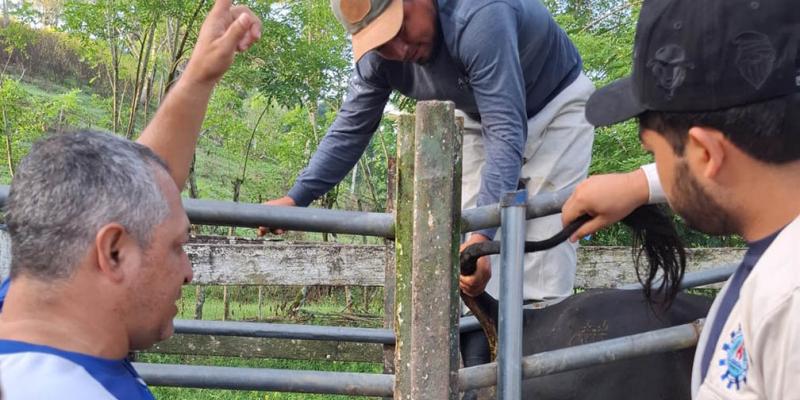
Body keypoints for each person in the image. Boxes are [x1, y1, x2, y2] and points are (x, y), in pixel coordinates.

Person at [0, 1, 261, 398]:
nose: (188, 272)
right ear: (114, 252)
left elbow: (138, 189)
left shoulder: (28, 305)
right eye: (177, 247)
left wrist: (200, 74)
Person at [261, 0, 596, 302]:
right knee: (468, 253)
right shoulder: (377, 60)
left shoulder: (479, 15)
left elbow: (506, 128)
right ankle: (484, 345)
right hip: (478, 115)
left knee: (544, 249)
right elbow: (351, 129)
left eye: (400, 27)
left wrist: (483, 236)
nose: (399, 48)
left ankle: (545, 347)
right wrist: (295, 198)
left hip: (556, 105)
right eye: (381, 41)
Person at [561, 0, 800, 397]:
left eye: (653, 153)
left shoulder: (786, 305)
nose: (656, 167)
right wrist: (640, 184)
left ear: (705, 154)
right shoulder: (778, 255)